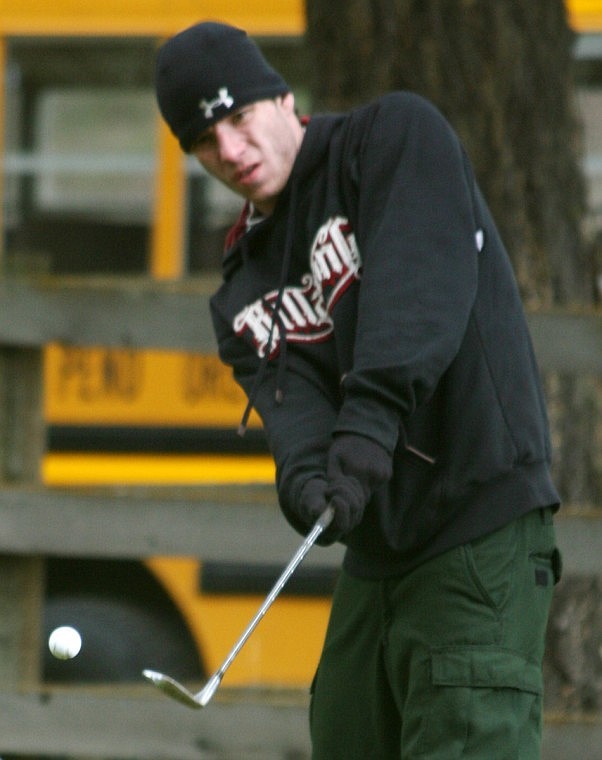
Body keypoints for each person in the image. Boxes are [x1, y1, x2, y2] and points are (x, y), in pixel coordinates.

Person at [155, 21, 562, 759]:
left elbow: (418, 291)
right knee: (343, 731)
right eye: (205, 143)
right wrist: (308, 479)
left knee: (466, 733)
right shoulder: (243, 282)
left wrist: (370, 422)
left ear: (281, 98)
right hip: (377, 557)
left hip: (478, 522)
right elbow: (292, 403)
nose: (232, 153)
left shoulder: (393, 141)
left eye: (239, 119)